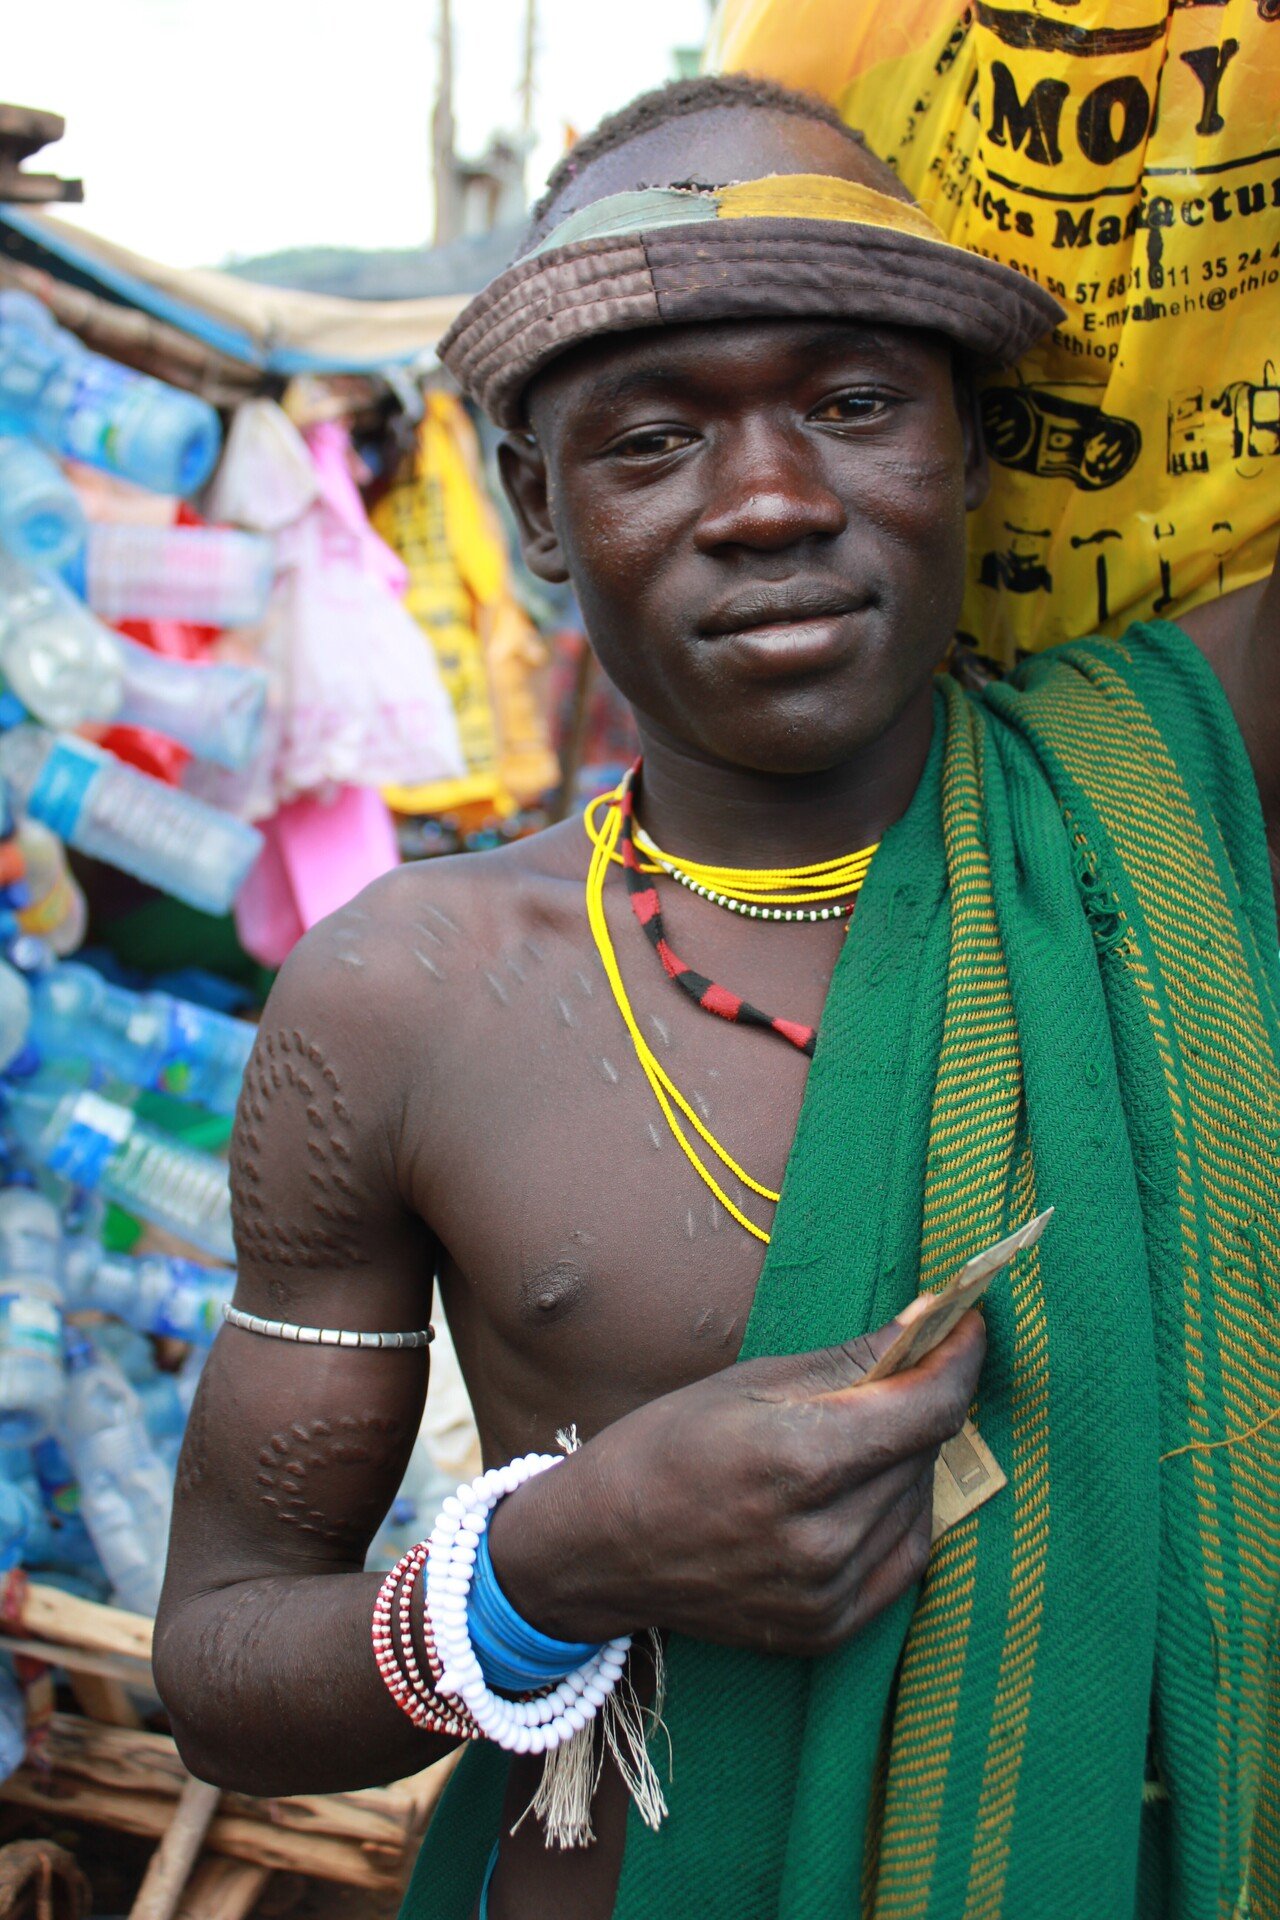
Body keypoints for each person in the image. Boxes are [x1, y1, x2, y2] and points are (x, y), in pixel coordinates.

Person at [154, 74, 1280, 1920]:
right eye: (656, 438)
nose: (769, 503)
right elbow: (221, 1673)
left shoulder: (1188, 779)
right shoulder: (403, 995)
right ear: (536, 505)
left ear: (972, 445)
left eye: (856, 405)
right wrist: (557, 1562)